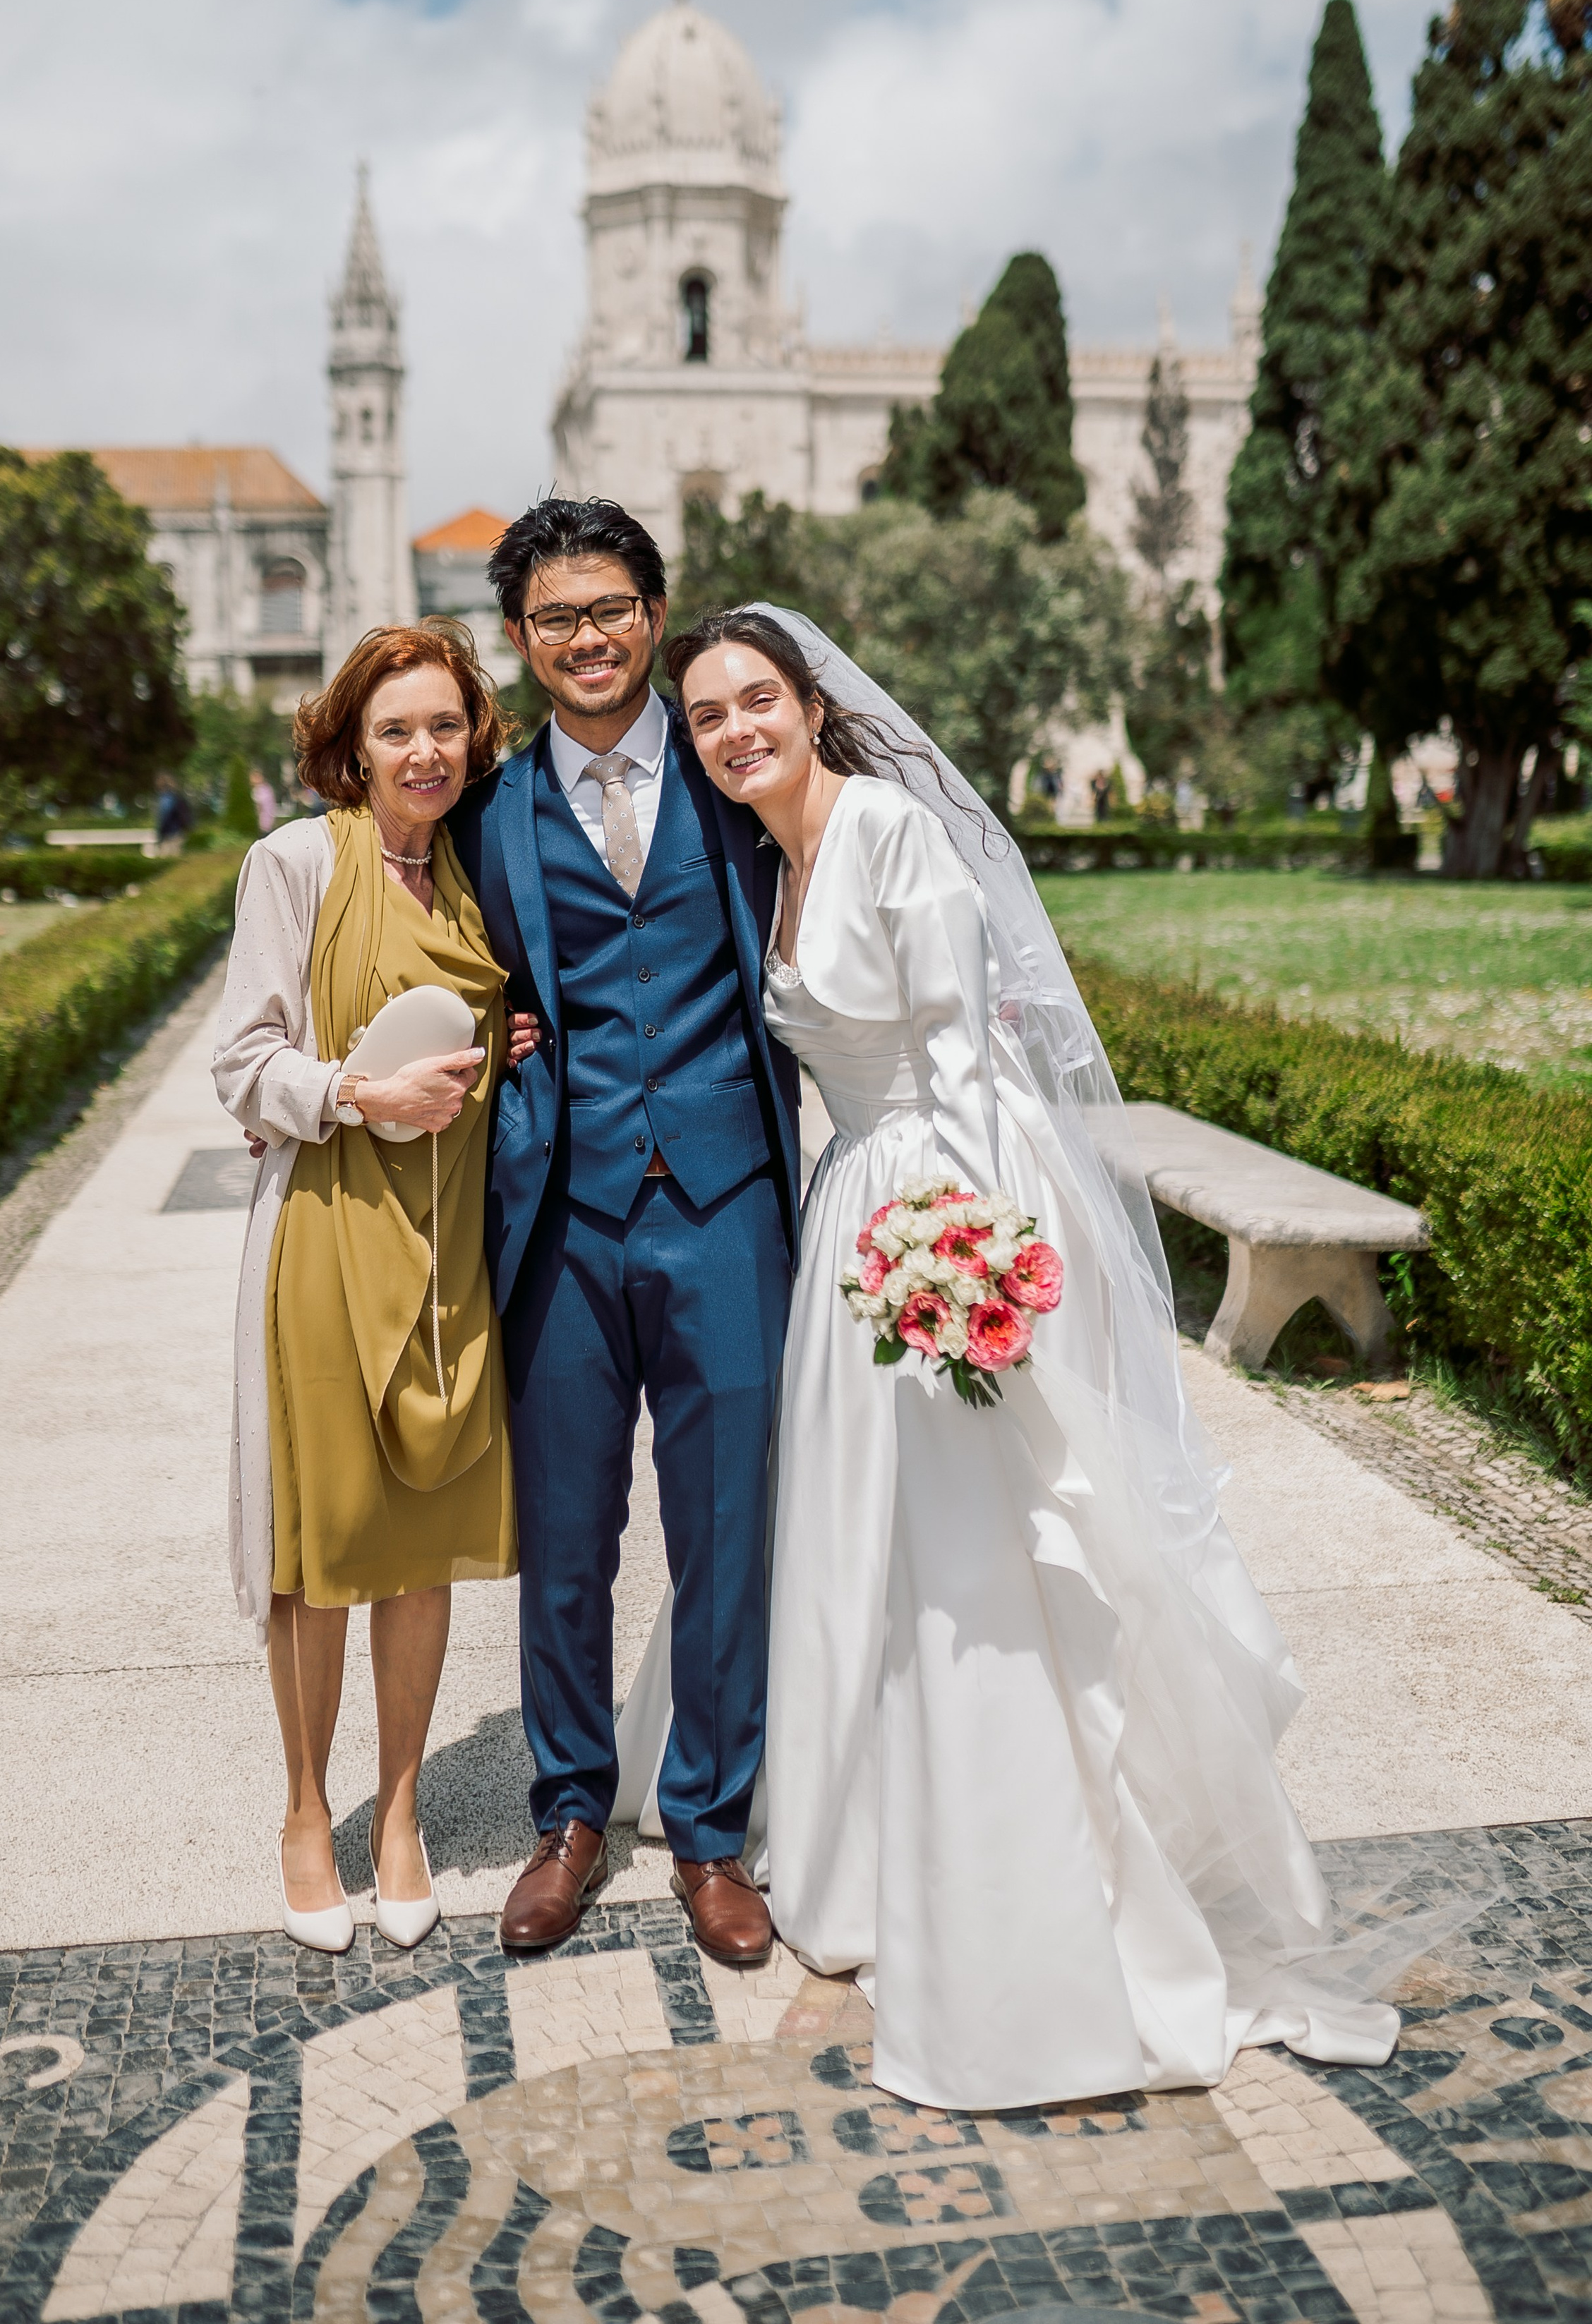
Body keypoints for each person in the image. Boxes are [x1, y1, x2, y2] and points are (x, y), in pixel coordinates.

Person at [637, 604, 1404, 2110]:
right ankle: (860, 1833)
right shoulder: (769, 857)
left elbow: (967, 1067)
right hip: (850, 1213)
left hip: (938, 1217)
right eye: (709, 714)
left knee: (974, 1556)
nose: (734, 730)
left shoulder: (891, 836)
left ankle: (1015, 1853)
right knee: (862, 1543)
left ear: (808, 702)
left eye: (755, 700)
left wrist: (970, 1269)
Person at [447, 499, 800, 1968]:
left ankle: (709, 1835)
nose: (584, 639)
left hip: (727, 1205)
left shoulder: (745, 774)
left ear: (652, 615)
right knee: (568, 1541)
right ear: (519, 643)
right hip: (564, 1222)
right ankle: (570, 1816)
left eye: (607, 610)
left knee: (727, 1533)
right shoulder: (487, 814)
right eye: (552, 619)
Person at [213, 623, 536, 1956]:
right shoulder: (293, 864)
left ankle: (399, 1812)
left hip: (449, 1244)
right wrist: (353, 1090)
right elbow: (243, 1066)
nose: (423, 751)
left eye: (447, 727)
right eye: (396, 728)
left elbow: (462, 1051)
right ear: (349, 745)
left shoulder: (472, 883)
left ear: (475, 744)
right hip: (327, 1240)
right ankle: (306, 1811)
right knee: (322, 1551)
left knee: (420, 1547)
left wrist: (502, 1046)